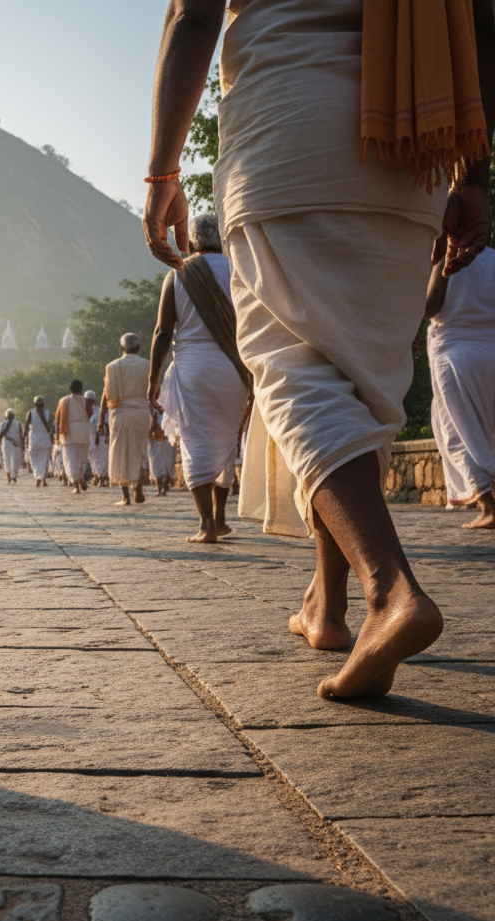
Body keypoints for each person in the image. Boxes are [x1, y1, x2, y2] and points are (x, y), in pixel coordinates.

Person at [144, 0, 494, 698]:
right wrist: (472, 176)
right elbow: (480, 20)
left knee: (293, 373)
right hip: (413, 140)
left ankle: (392, 592)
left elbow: (192, 16)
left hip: (287, 131)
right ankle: (325, 606)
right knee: (355, 383)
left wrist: (162, 175)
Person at [149, 214, 250, 539]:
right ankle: (220, 519)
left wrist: (154, 378)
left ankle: (206, 524)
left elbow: (163, 331)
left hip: (193, 369)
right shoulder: (239, 268)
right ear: (221, 239)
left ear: (190, 242)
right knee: (225, 440)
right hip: (234, 369)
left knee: (196, 443)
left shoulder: (178, 273)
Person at [424, 247, 495, 528]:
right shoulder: (492, 257)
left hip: (455, 352)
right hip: (491, 348)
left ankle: (488, 506)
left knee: (455, 429)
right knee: (488, 430)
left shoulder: (446, 257)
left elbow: (429, 308)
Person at [101, 333, 153, 506]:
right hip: (141, 413)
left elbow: (106, 395)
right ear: (138, 348)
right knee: (139, 450)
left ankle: (126, 497)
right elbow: (154, 393)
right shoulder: (148, 365)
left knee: (120, 452)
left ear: (122, 348)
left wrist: (101, 418)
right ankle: (138, 486)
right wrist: (156, 416)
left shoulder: (113, 367)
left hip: (119, 412)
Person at [56, 380, 94, 493]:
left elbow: (58, 417)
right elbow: (90, 414)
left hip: (70, 431)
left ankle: (76, 484)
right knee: (82, 458)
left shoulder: (64, 401)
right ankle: (80, 476)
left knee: (71, 458)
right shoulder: (85, 401)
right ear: (81, 389)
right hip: (83, 431)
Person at [24, 396, 54, 487]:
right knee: (40, 459)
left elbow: (25, 427)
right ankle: (41, 478)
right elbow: (50, 428)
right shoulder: (33, 413)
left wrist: (24, 438)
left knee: (39, 459)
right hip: (39, 438)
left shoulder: (33, 413)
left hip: (38, 438)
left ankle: (40, 478)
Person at [148, 408, 175, 497]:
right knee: (157, 461)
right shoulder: (151, 406)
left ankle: (163, 486)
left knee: (166, 461)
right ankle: (161, 487)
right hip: (156, 437)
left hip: (167, 435)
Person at [87, 390, 110, 487]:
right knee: (93, 458)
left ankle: (102, 478)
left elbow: (106, 422)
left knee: (102, 458)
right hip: (89, 438)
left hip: (100, 437)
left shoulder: (99, 410)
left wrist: (106, 435)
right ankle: (96, 475)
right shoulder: (82, 410)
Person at [0, 409, 24, 483]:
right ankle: (9, 476)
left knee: (15, 460)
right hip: (7, 444)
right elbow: (0, 435)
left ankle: (14, 475)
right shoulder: (3, 424)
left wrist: (22, 444)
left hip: (15, 444)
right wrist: (8, 425)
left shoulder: (17, 423)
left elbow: (21, 434)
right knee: (7, 460)